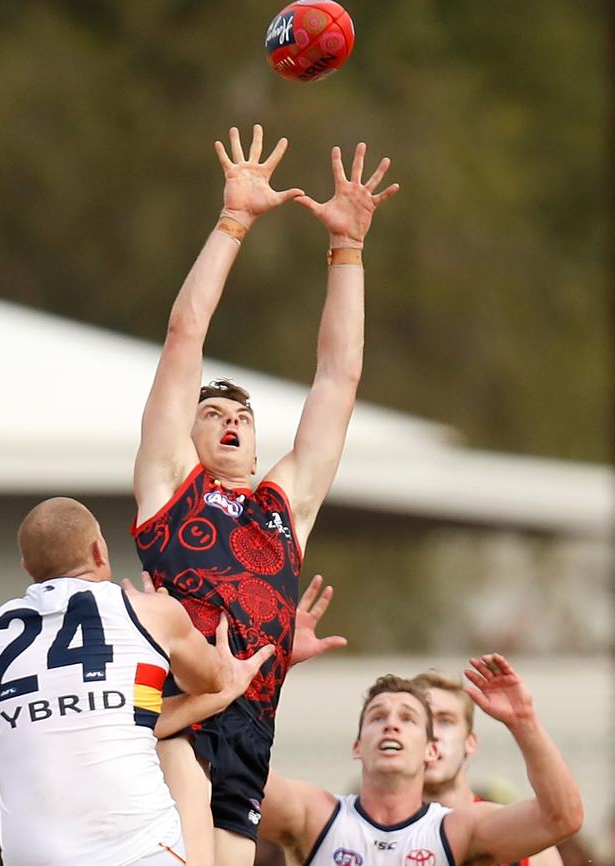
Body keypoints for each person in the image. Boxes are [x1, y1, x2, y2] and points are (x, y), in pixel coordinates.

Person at [131, 124, 398, 866]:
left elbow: (338, 377)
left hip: (251, 729)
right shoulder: (169, 488)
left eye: (242, 418)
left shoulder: (285, 506)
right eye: (211, 414)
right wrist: (234, 222)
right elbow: (185, 334)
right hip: (175, 715)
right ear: (186, 436)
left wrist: (347, 250)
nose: (230, 423)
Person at [0, 497, 273, 866]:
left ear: (28, 568)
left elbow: (102, 723)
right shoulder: (147, 611)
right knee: (178, 752)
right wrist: (174, 632)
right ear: (100, 550)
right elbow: (211, 678)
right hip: (136, 851)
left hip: (29, 857)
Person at [259, 654, 583, 866]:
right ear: (357, 745)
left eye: (410, 718)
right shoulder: (317, 814)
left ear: (430, 749)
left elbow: (562, 818)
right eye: (377, 716)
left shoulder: (464, 829)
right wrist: (270, 664)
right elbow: (235, 769)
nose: (391, 724)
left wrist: (524, 721)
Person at [413, 669, 564, 866]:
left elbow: (563, 816)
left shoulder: (525, 842)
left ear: (470, 742)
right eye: (417, 721)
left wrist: (525, 721)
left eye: (445, 721)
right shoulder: (375, 834)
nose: (431, 733)